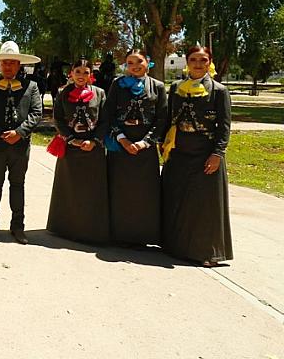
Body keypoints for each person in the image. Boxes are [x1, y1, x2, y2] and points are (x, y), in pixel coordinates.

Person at [161, 45, 233, 266]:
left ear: (209, 62)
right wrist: (163, 146)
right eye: (193, 59)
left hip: (205, 152)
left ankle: (206, 253)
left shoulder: (219, 90)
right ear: (187, 62)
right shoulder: (176, 88)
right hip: (179, 151)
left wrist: (217, 154)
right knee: (178, 199)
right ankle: (176, 247)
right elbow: (167, 119)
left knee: (204, 205)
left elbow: (224, 127)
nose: (198, 64)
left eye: (203, 60)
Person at [0, 41, 43, 244]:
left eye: (12, 63)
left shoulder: (31, 87)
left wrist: (19, 133)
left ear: (19, 65)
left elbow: (36, 113)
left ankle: (18, 226)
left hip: (20, 146)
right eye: (4, 63)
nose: (8, 67)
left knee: (18, 185)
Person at [104, 49, 167, 246]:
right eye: (130, 63)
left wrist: (145, 142)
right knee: (119, 190)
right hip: (120, 146)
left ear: (148, 62)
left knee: (144, 193)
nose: (135, 66)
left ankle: (142, 236)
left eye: (139, 61)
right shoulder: (117, 84)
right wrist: (122, 139)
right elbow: (109, 114)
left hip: (145, 150)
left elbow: (162, 119)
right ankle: (118, 234)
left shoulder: (158, 87)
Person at [46, 58, 110, 243]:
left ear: (91, 75)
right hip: (71, 148)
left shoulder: (100, 94)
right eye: (78, 72)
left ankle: (91, 229)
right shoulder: (62, 94)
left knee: (92, 189)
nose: (81, 76)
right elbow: (57, 119)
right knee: (69, 189)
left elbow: (105, 120)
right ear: (71, 73)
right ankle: (66, 228)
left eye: (85, 72)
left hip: (93, 149)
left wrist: (94, 140)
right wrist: (72, 139)